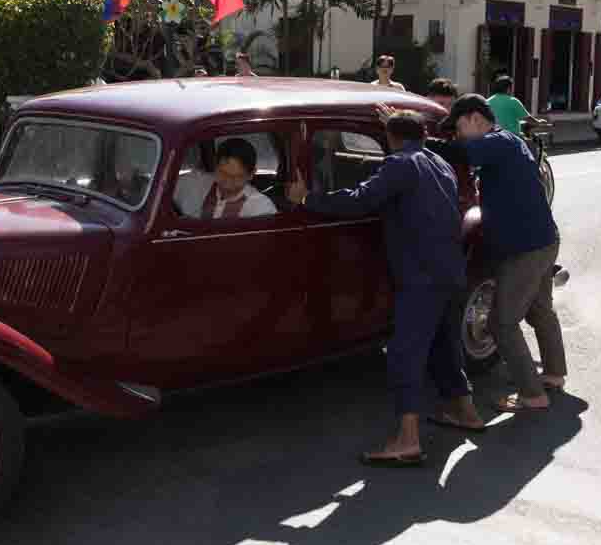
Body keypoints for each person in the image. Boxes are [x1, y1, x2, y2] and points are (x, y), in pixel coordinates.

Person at [288, 109, 485, 466]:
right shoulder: (437, 163)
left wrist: (307, 199)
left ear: (391, 139)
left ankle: (407, 440)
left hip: (421, 275)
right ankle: (466, 412)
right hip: (450, 270)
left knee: (403, 354)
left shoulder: (400, 165)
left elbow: (360, 199)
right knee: (443, 346)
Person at [448, 94, 568, 410]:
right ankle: (554, 375)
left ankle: (532, 394)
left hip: (526, 249)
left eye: (459, 127)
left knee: (502, 322)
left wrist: (417, 138)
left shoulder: (496, 142)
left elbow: (456, 152)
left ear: (475, 118)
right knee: (540, 310)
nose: (459, 134)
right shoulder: (510, 140)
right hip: (543, 240)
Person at [172, 137, 276, 220]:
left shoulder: (261, 209)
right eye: (223, 174)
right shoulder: (192, 183)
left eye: (236, 177)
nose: (227, 184)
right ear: (215, 166)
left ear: (251, 174)